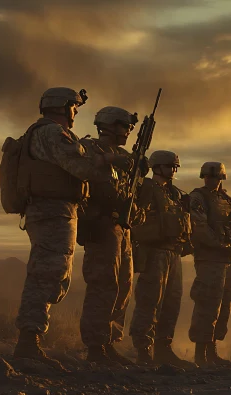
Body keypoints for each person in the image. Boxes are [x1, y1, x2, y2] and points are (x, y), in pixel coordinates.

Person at [13, 87, 116, 369]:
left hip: (57, 211)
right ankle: (27, 343)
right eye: (74, 107)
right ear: (63, 107)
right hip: (51, 211)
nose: (75, 113)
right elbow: (80, 167)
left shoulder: (47, 132)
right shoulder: (51, 132)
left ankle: (30, 340)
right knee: (46, 272)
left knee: (54, 272)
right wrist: (107, 161)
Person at [77, 106, 144, 365]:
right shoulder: (91, 148)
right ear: (112, 126)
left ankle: (109, 343)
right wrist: (109, 161)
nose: (128, 132)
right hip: (100, 223)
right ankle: (95, 346)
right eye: (126, 127)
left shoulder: (125, 157)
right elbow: (83, 170)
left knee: (123, 285)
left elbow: (129, 192)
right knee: (103, 284)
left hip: (121, 227)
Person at [129, 150, 194, 368]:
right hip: (154, 251)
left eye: (175, 166)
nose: (174, 170)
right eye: (169, 166)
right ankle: (142, 350)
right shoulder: (147, 189)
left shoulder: (174, 194)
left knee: (172, 302)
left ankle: (163, 349)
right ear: (157, 167)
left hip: (173, 252)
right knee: (149, 301)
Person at [188, 162, 231, 367]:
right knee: (207, 303)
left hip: (226, 260)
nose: (211, 181)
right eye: (208, 177)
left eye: (215, 178)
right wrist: (219, 245)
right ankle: (200, 354)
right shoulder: (198, 197)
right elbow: (199, 226)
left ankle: (212, 350)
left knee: (224, 304)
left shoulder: (228, 200)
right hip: (209, 259)